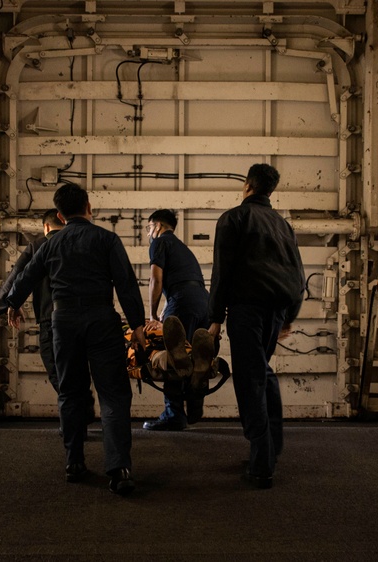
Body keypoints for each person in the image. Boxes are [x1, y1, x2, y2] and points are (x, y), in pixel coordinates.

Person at [4, 182, 147, 495]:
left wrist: (12, 305)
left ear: (59, 214)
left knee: (70, 392)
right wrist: (137, 326)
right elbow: (126, 284)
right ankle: (119, 468)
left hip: (63, 322)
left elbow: (26, 275)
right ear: (89, 208)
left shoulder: (50, 244)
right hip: (100, 320)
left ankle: (74, 462)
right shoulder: (106, 239)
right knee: (113, 395)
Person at [207, 163, 304, 489]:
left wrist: (214, 320)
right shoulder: (283, 225)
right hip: (275, 311)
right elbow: (297, 275)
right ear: (269, 190)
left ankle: (262, 465)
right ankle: (271, 448)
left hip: (246, 310)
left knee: (250, 380)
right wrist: (288, 315)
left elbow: (222, 272)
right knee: (263, 372)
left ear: (248, 185)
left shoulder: (233, 218)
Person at [0, 210, 95, 431]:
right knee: (78, 368)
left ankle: (76, 416)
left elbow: (18, 274)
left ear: (45, 227)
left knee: (57, 370)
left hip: (52, 319)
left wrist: (2, 306)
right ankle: (83, 411)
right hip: (84, 320)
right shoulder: (80, 244)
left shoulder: (40, 245)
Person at [142, 209, 211, 431]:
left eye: (149, 228)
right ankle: (194, 398)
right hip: (203, 303)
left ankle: (174, 416)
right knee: (193, 354)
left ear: (158, 226)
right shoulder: (183, 248)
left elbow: (156, 279)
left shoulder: (159, 243)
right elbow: (183, 282)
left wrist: (153, 315)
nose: (148, 233)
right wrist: (166, 311)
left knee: (173, 354)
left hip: (183, 301)